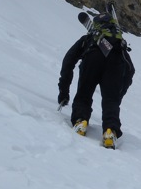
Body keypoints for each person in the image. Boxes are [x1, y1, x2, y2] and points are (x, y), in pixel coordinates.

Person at [58, 9, 135, 148]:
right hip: (116, 62)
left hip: (92, 57)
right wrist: (119, 94)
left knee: (84, 93)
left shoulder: (88, 39)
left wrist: (64, 91)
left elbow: (68, 62)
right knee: (110, 101)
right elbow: (130, 70)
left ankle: (80, 120)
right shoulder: (119, 44)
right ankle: (110, 131)